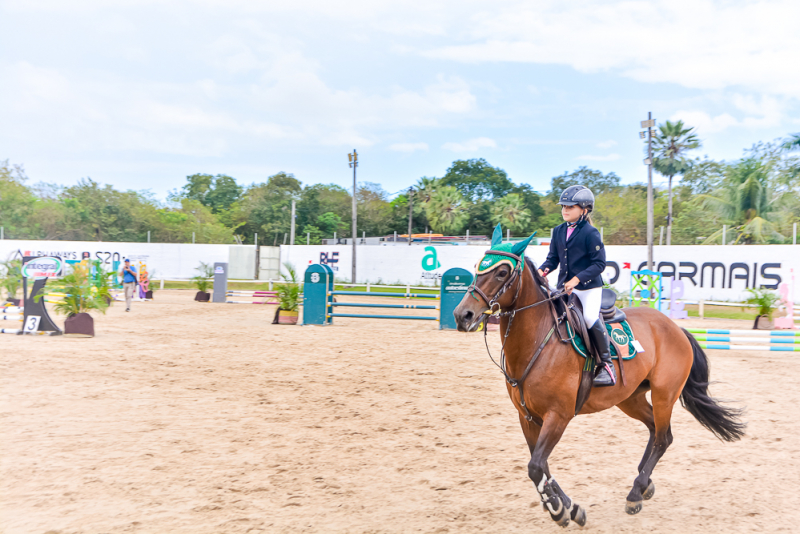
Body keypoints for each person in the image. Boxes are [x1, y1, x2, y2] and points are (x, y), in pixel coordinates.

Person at [538, 185, 616, 387]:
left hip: (588, 289)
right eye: (563, 206)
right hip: (565, 288)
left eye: (570, 206)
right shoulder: (557, 231)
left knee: (589, 317)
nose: (565, 210)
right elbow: (552, 259)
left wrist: (576, 279)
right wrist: (541, 271)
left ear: (584, 209)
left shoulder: (591, 233)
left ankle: (606, 365)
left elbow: (599, 264)